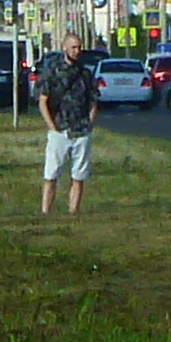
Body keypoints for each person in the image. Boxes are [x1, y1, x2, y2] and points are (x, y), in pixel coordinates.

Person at [38, 37, 99, 216]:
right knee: (51, 174)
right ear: (64, 47)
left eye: (79, 47)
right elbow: (43, 100)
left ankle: (73, 213)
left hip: (81, 131)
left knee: (78, 176)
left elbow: (93, 101)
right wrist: (51, 125)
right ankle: (45, 212)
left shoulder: (85, 74)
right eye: (73, 47)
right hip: (59, 129)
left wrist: (89, 123)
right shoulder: (53, 71)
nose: (76, 51)